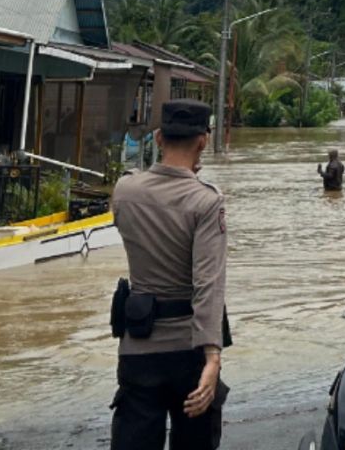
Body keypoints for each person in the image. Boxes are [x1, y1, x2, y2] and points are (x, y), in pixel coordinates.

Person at [110, 98, 231, 449]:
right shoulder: (206, 202)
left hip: (137, 346)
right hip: (189, 352)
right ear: (203, 141)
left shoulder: (125, 190)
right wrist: (213, 356)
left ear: (159, 138)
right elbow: (208, 284)